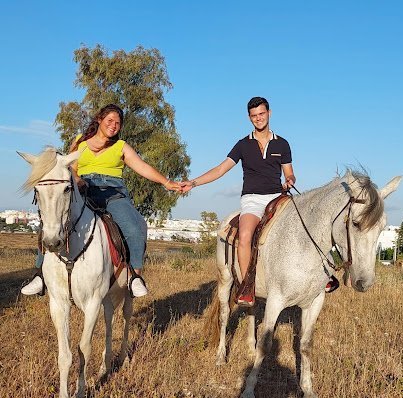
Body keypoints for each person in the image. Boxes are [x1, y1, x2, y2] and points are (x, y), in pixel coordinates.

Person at [21, 104, 181, 297]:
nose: (113, 126)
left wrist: (166, 182)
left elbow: (143, 167)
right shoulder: (80, 142)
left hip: (112, 194)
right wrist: (78, 180)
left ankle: (133, 277)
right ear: (99, 120)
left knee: (135, 228)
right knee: (51, 223)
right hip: (82, 191)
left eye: (118, 123)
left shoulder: (121, 147)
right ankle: (40, 275)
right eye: (110, 121)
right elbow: (70, 169)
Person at [181, 97, 296, 305]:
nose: (258, 118)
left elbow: (289, 173)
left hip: (277, 198)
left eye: (262, 114)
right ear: (249, 117)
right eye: (254, 116)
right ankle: (246, 287)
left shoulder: (283, 143)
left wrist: (289, 180)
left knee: (300, 227)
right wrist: (193, 182)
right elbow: (220, 169)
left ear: (269, 113)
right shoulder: (243, 145)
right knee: (244, 236)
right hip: (252, 199)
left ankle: (319, 275)